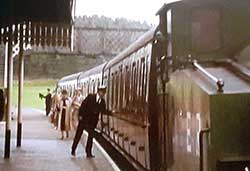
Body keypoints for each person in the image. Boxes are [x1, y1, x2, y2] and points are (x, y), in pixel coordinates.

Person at [71, 85, 110, 158]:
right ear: (99, 92)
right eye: (102, 92)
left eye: (104, 93)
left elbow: (103, 111)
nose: (103, 94)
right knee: (78, 135)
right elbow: (83, 106)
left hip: (92, 122)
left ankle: (88, 152)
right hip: (84, 119)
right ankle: (73, 149)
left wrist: (111, 113)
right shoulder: (90, 97)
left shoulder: (102, 101)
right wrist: (80, 115)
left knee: (91, 137)